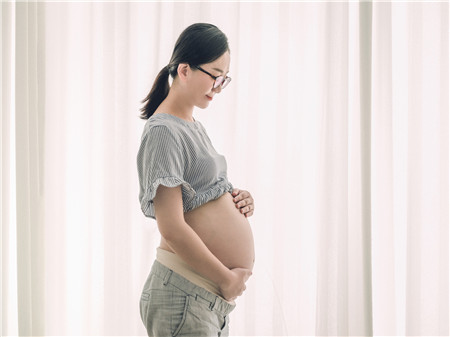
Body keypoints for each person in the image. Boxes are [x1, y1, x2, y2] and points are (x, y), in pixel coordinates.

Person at [136, 23, 255, 337]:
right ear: (185, 69)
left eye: (223, 78)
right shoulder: (164, 131)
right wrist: (226, 278)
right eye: (214, 74)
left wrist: (238, 198)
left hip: (202, 297)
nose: (218, 85)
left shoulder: (191, 125)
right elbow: (171, 226)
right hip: (185, 292)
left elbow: (200, 197)